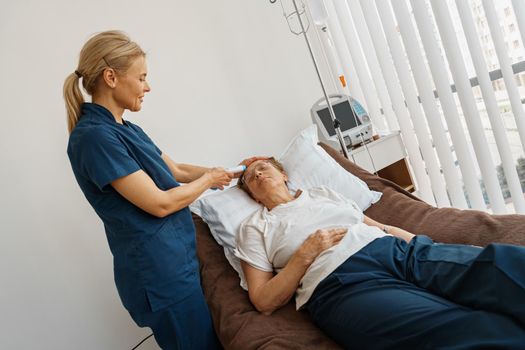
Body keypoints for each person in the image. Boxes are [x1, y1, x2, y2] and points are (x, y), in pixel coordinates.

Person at [64, 30, 262, 350]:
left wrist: (237, 171)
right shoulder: (94, 138)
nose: (148, 86)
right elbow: (159, 204)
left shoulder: (127, 129)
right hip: (159, 276)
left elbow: (178, 171)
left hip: (177, 263)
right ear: (111, 77)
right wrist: (209, 180)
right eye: (141, 77)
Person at [234, 158, 525, 349]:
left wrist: (435, 247)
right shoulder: (253, 227)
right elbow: (263, 301)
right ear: (253, 197)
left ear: (283, 174)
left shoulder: (322, 193)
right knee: (457, 330)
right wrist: (304, 255)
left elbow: (380, 225)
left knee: (495, 265)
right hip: (342, 285)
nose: (257, 174)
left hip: (392, 250)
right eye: (250, 178)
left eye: (263, 167)